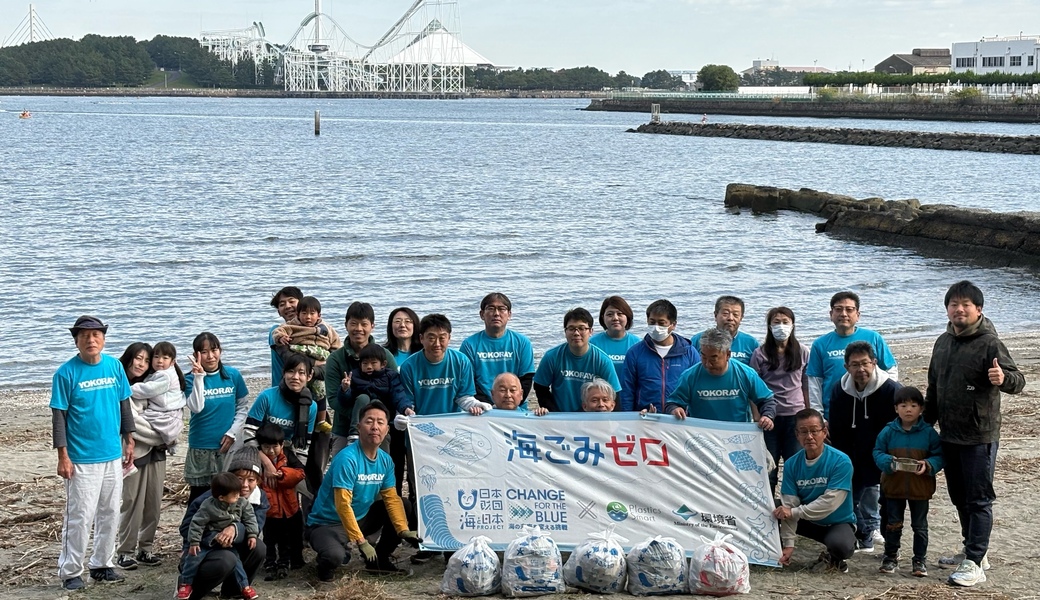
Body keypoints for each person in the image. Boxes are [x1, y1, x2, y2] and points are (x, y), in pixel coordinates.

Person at [924, 280, 1025, 587]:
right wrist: (923, 422)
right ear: (947, 309)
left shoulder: (989, 343)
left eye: (966, 304)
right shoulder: (942, 342)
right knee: (959, 497)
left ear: (978, 309)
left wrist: (1002, 377)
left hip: (979, 435)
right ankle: (972, 550)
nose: (959, 309)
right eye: (954, 304)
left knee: (979, 499)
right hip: (949, 434)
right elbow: (933, 387)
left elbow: (1018, 381)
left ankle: (976, 561)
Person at [51, 316, 135, 590]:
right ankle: (71, 571)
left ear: (103, 338)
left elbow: (124, 404)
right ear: (76, 340)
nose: (91, 340)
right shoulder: (66, 373)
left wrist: (129, 439)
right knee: (80, 516)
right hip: (81, 459)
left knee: (110, 512)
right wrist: (63, 455)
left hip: (112, 454)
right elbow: (59, 417)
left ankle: (102, 564)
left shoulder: (113, 367)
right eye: (85, 336)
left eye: (96, 335)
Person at [307, 401, 422, 580]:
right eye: (369, 421)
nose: (375, 427)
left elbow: (391, 498)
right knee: (334, 557)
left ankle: (379, 559)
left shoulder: (385, 461)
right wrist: (361, 541)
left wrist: (403, 530)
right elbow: (342, 505)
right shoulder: (347, 459)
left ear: (387, 430)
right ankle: (324, 563)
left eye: (380, 422)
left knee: (403, 504)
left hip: (361, 517)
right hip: (328, 523)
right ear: (358, 427)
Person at [828, 341, 900, 554]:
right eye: (854, 365)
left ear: (874, 363)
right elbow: (837, 426)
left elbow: (898, 426)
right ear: (846, 367)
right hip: (850, 451)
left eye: (865, 363)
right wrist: (841, 458)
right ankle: (864, 534)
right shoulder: (840, 390)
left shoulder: (891, 389)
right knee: (849, 496)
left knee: (879, 496)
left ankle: (885, 544)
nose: (860, 370)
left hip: (882, 453)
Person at [179, 447, 269, 600]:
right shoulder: (210, 499)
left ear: (258, 481)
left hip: (233, 545)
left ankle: (233, 591)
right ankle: (192, 590)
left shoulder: (259, 499)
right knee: (227, 559)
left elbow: (255, 527)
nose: (245, 485)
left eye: (251, 480)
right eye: (239, 479)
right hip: (204, 548)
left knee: (258, 548)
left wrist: (235, 528)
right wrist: (214, 536)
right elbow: (186, 528)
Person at [773, 408, 856, 573]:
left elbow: (829, 503)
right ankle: (775, 550)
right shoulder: (791, 464)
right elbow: (789, 503)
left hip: (836, 521)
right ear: (797, 435)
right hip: (808, 521)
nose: (809, 436)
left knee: (842, 546)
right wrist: (789, 544)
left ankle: (835, 558)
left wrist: (795, 512)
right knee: (775, 509)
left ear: (824, 432)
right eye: (803, 432)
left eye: (814, 431)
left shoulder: (841, 461)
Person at [873, 386, 943, 577]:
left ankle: (919, 560)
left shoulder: (929, 433)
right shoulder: (888, 431)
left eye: (913, 405)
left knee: (919, 526)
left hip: (920, 488)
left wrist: (928, 465)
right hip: (893, 488)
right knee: (893, 524)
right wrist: (888, 462)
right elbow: (877, 452)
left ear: (921, 409)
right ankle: (890, 557)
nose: (908, 409)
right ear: (896, 408)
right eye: (903, 405)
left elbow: (939, 455)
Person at [806, 291, 898, 420]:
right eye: (838, 309)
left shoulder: (873, 338)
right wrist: (820, 417)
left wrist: (884, 396)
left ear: (858, 315)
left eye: (849, 309)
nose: (844, 314)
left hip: (872, 408)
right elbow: (814, 383)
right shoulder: (820, 344)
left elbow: (890, 370)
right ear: (831, 314)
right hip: (834, 410)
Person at [116, 342, 167, 569]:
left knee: (153, 502)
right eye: (138, 358)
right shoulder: (119, 385)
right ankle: (125, 551)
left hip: (156, 451)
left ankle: (145, 548)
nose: (142, 364)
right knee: (132, 501)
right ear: (128, 358)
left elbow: (167, 412)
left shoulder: (152, 385)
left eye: (147, 360)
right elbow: (129, 423)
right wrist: (160, 435)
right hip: (133, 450)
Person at [184, 332, 250, 504]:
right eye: (204, 352)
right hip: (201, 446)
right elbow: (196, 407)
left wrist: (232, 433)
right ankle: (192, 530)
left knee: (228, 495)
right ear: (196, 355)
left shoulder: (232, 375)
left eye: (214, 350)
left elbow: (243, 407)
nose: (210, 356)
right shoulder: (189, 379)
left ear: (220, 351)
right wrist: (199, 377)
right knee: (199, 497)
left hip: (229, 446)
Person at [750, 307, 809, 495]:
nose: (781, 326)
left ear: (793, 325)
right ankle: (767, 509)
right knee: (769, 469)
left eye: (785, 322)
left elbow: (806, 384)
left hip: (796, 416)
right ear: (769, 326)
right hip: (769, 419)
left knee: (795, 466)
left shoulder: (803, 352)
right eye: (776, 322)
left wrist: (809, 412)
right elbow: (753, 387)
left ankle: (793, 510)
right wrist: (756, 416)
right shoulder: (760, 354)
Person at [326, 302, 398, 456]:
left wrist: (374, 420)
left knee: (380, 473)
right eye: (353, 323)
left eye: (364, 324)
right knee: (342, 472)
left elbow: (395, 392)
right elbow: (332, 399)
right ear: (346, 325)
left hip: (380, 429)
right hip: (344, 429)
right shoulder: (335, 359)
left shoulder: (385, 356)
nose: (358, 329)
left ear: (372, 325)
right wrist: (360, 417)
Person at [665, 328, 776, 427]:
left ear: (728, 355)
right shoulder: (690, 376)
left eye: (713, 359)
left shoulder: (746, 374)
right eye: (703, 357)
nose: (708, 364)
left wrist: (767, 416)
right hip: (701, 435)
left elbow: (767, 400)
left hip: (736, 433)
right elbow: (672, 403)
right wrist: (675, 409)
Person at [241, 353, 318, 479]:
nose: (295, 377)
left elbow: (303, 447)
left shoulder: (311, 407)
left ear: (309, 376)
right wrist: (267, 464)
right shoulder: (267, 397)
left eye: (301, 373)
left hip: (286, 450)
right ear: (283, 373)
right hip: (259, 448)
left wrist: (297, 473)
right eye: (291, 371)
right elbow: (248, 434)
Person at [533, 307, 622, 412]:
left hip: (590, 416)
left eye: (582, 328)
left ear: (590, 331)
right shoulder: (552, 356)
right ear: (565, 332)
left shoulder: (602, 360)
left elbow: (615, 395)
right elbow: (540, 387)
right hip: (560, 415)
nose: (576, 333)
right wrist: (554, 412)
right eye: (571, 328)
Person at [620, 299, 700, 413]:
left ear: (673, 325)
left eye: (661, 323)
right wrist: (628, 418)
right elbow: (627, 390)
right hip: (645, 418)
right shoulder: (635, 353)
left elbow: (697, 388)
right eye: (652, 322)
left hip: (679, 418)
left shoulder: (689, 352)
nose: (656, 327)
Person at [460, 293, 536, 404]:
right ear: (482, 314)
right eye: (491, 309)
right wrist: (488, 406)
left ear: (509, 314)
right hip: (481, 407)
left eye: (502, 309)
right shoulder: (469, 345)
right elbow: (468, 382)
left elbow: (526, 379)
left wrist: (512, 404)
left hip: (515, 406)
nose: (496, 314)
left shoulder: (522, 343)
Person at [254, 423, 306, 580]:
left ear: (282, 444)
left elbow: (300, 473)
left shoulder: (288, 456)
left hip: (289, 507)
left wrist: (282, 475)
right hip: (269, 510)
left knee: (289, 537)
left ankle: (287, 562)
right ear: (260, 446)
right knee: (269, 538)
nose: (270, 451)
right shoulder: (257, 460)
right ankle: (270, 563)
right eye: (266, 447)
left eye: (274, 447)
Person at [272, 295, 342, 409]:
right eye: (304, 313)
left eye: (312, 313)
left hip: (320, 353)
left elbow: (336, 344)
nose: (308, 317)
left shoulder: (326, 328)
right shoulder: (292, 325)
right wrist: (281, 337)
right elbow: (278, 331)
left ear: (319, 315)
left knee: (320, 390)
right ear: (298, 314)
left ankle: (321, 419)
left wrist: (333, 358)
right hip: (301, 352)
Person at [338, 343, 408, 442]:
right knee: (363, 397)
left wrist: (406, 408)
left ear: (383, 364)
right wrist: (345, 389)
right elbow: (345, 401)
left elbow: (398, 394)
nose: (369, 367)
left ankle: (382, 431)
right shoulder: (354, 376)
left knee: (377, 402)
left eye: (373, 363)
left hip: (383, 413)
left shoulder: (390, 376)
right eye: (365, 363)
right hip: (362, 413)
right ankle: (354, 434)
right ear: (360, 364)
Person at [129, 341, 187, 454]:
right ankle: (170, 442)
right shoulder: (164, 373)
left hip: (165, 410)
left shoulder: (165, 376)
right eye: (156, 357)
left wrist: (128, 389)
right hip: (168, 410)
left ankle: (169, 441)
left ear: (172, 362)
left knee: (141, 418)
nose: (160, 361)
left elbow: (148, 389)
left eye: (165, 358)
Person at [691, 296, 759, 365]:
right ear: (715, 315)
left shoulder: (751, 343)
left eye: (735, 315)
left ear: (741, 318)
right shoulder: (698, 340)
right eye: (725, 313)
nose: (730, 318)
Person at [589, 296, 641, 387]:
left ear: (627, 317)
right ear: (603, 318)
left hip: (630, 398)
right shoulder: (592, 343)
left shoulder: (638, 344)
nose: (615, 318)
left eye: (620, 314)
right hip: (602, 398)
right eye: (610, 314)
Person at [463, 372, 548, 416]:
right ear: (492, 394)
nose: (508, 395)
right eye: (502, 390)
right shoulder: (484, 414)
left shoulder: (529, 416)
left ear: (521, 394)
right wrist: (474, 413)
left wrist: (543, 415)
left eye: (512, 390)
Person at [269, 286, 303, 387]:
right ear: (279, 312)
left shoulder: (313, 330)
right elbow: (290, 358)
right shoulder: (276, 331)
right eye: (282, 304)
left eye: (291, 301)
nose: (288, 306)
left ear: (302, 304)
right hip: (281, 388)